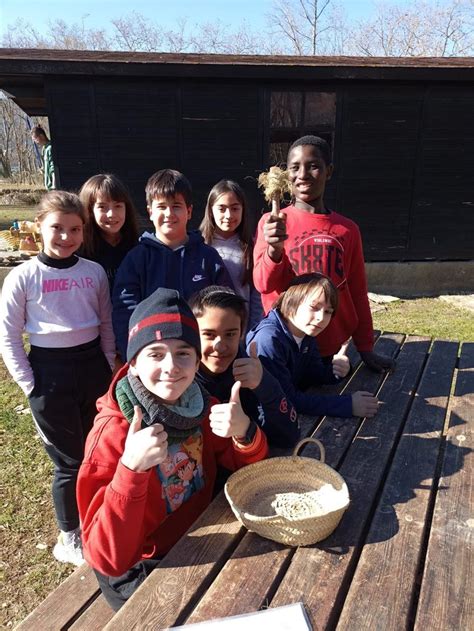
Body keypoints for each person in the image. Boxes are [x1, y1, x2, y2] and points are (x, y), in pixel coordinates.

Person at [77, 288, 268, 610]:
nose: (172, 367)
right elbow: (105, 557)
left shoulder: (199, 405)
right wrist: (131, 471)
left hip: (196, 534)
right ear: (133, 363)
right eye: (155, 354)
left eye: (183, 353)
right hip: (141, 565)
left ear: (196, 362)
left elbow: (244, 466)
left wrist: (244, 432)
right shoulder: (113, 434)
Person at [0, 191, 115, 566]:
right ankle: (70, 536)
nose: (66, 237)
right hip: (49, 374)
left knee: (97, 451)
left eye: (75, 229)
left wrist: (110, 365)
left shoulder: (93, 272)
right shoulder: (23, 276)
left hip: (93, 368)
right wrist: (30, 384)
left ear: (84, 231)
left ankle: (96, 515)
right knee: (68, 461)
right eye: (57, 228)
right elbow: (9, 336)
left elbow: (105, 322)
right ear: (39, 227)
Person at [253, 135, 394, 373]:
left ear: (329, 171)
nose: (303, 174)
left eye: (314, 166)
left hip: (331, 350)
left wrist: (366, 347)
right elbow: (262, 284)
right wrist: (273, 251)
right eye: (294, 167)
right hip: (287, 347)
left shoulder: (347, 229)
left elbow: (357, 291)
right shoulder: (272, 223)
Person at [112, 169, 233, 361]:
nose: (169, 213)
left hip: (201, 357)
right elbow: (125, 311)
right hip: (153, 358)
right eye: (161, 206)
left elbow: (226, 304)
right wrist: (133, 355)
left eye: (176, 206)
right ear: (150, 212)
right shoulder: (136, 259)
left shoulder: (208, 257)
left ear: (189, 211)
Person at [247, 273, 379, 419]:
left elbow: (313, 374)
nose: (321, 318)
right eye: (314, 307)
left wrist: (337, 371)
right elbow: (285, 400)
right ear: (291, 302)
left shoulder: (305, 331)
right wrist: (347, 405)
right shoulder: (268, 340)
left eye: (328, 311)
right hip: (259, 424)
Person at [189, 285, 298, 448]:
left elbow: (288, 437)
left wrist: (265, 384)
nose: (219, 346)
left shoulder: (247, 370)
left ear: (241, 334)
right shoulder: (180, 379)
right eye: (209, 335)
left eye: (230, 334)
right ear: (192, 333)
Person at [200, 180, 263, 331]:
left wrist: (252, 331)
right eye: (222, 209)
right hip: (206, 329)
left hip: (240, 330)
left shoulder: (252, 246)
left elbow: (256, 296)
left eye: (235, 208)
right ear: (210, 210)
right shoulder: (199, 245)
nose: (228, 215)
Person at [79, 173, 140, 292]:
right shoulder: (80, 252)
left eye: (118, 206)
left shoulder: (137, 247)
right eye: (102, 207)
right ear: (89, 211)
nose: (111, 214)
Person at [31, 125, 56, 190]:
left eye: (35, 139)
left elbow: (53, 168)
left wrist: (54, 185)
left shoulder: (50, 148)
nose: (35, 142)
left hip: (53, 188)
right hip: (49, 188)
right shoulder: (44, 149)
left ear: (41, 136)